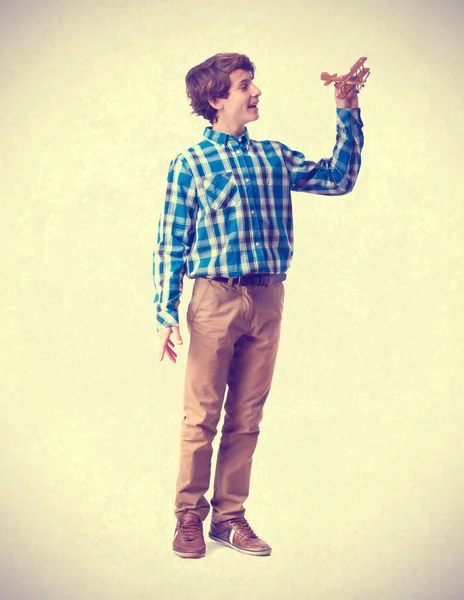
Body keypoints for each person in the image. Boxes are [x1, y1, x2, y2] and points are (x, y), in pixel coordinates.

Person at [153, 52, 364, 559]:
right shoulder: (190, 164)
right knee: (201, 416)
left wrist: (346, 107)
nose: (256, 92)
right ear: (216, 98)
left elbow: (339, 178)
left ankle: (229, 518)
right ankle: (188, 517)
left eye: (254, 83)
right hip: (213, 299)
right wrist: (165, 311)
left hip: (268, 297)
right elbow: (171, 240)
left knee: (247, 415)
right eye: (245, 85)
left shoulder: (272, 155)